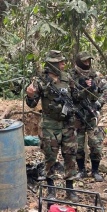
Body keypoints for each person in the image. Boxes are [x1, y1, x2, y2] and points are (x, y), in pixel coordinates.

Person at [26, 50, 79, 201]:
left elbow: (76, 97)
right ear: (52, 64)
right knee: (50, 157)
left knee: (70, 156)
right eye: (60, 62)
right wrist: (29, 95)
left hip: (68, 124)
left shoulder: (67, 78)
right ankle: (51, 189)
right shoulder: (40, 81)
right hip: (50, 125)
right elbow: (32, 104)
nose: (63, 64)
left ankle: (70, 189)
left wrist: (88, 90)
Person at [70, 52, 107, 182]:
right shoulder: (70, 76)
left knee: (96, 144)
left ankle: (95, 170)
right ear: (78, 61)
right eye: (84, 61)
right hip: (77, 115)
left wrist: (98, 103)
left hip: (93, 115)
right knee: (78, 145)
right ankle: (81, 170)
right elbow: (66, 92)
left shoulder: (96, 76)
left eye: (89, 61)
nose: (87, 64)